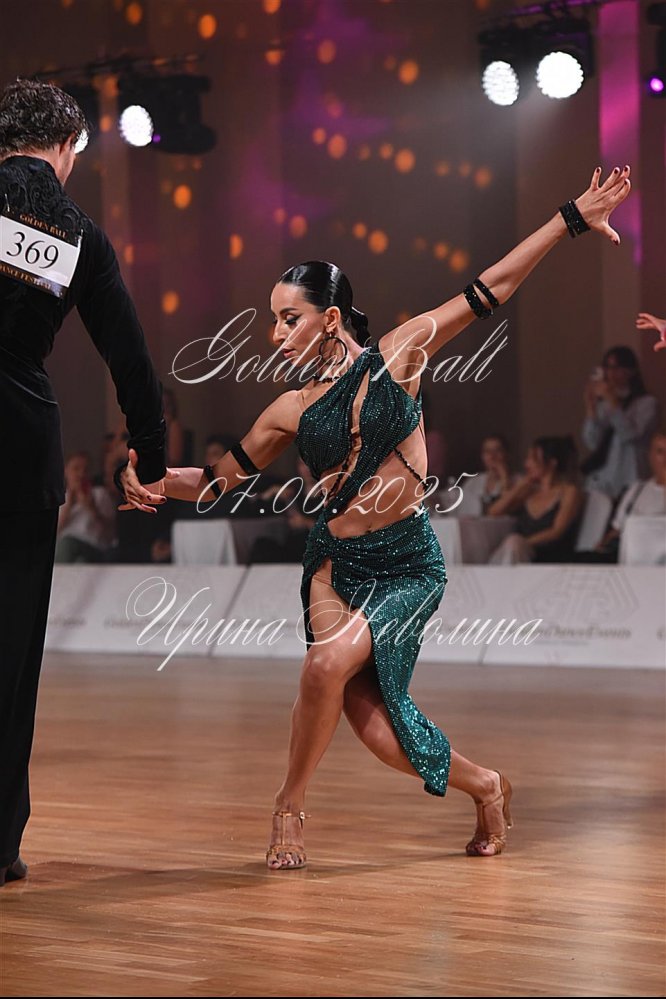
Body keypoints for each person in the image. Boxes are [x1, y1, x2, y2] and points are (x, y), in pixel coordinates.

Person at [121, 164, 632, 868]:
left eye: (290, 318)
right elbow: (215, 481)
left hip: (407, 563)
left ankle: (306, 804)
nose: (275, 334)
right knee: (365, 718)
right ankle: (473, 786)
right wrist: (151, 480)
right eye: (273, 320)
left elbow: (492, 285)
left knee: (335, 675)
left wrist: (571, 217)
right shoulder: (291, 408)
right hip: (334, 562)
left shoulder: (400, 355)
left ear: (330, 318)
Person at [0, 80, 170, 887]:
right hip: (19, 447)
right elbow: (129, 354)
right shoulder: (76, 232)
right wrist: (149, 455)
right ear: (67, 147)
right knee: (10, 653)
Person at [487, 437, 583, 563]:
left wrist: (523, 542)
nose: (526, 464)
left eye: (533, 458)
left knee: (513, 543)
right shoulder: (529, 492)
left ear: (552, 463)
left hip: (551, 555)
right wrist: (519, 487)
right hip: (520, 553)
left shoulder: (569, 491)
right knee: (510, 545)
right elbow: (493, 512)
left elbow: (557, 531)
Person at [581, 346, 658, 500]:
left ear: (631, 371)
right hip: (602, 479)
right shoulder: (604, 405)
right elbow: (592, 442)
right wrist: (591, 408)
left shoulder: (647, 403)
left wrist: (612, 401)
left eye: (616, 368)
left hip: (630, 478)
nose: (611, 373)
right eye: (607, 367)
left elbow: (629, 435)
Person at [577, 429, 666, 562]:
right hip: (633, 563)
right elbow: (618, 529)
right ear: (651, 456)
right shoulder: (636, 490)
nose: (665, 458)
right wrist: (605, 543)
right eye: (660, 452)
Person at [55, 451, 117, 562]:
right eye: (76, 469)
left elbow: (110, 534)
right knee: (78, 561)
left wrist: (92, 508)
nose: (81, 474)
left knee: (68, 544)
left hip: (94, 549)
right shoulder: (58, 499)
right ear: (65, 471)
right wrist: (68, 506)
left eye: (86, 470)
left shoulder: (100, 494)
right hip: (65, 551)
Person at [455, 433, 516, 516]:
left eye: (497, 451)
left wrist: (504, 477)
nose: (492, 456)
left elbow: (510, 511)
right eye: (487, 451)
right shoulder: (472, 483)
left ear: (507, 454)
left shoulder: (517, 481)